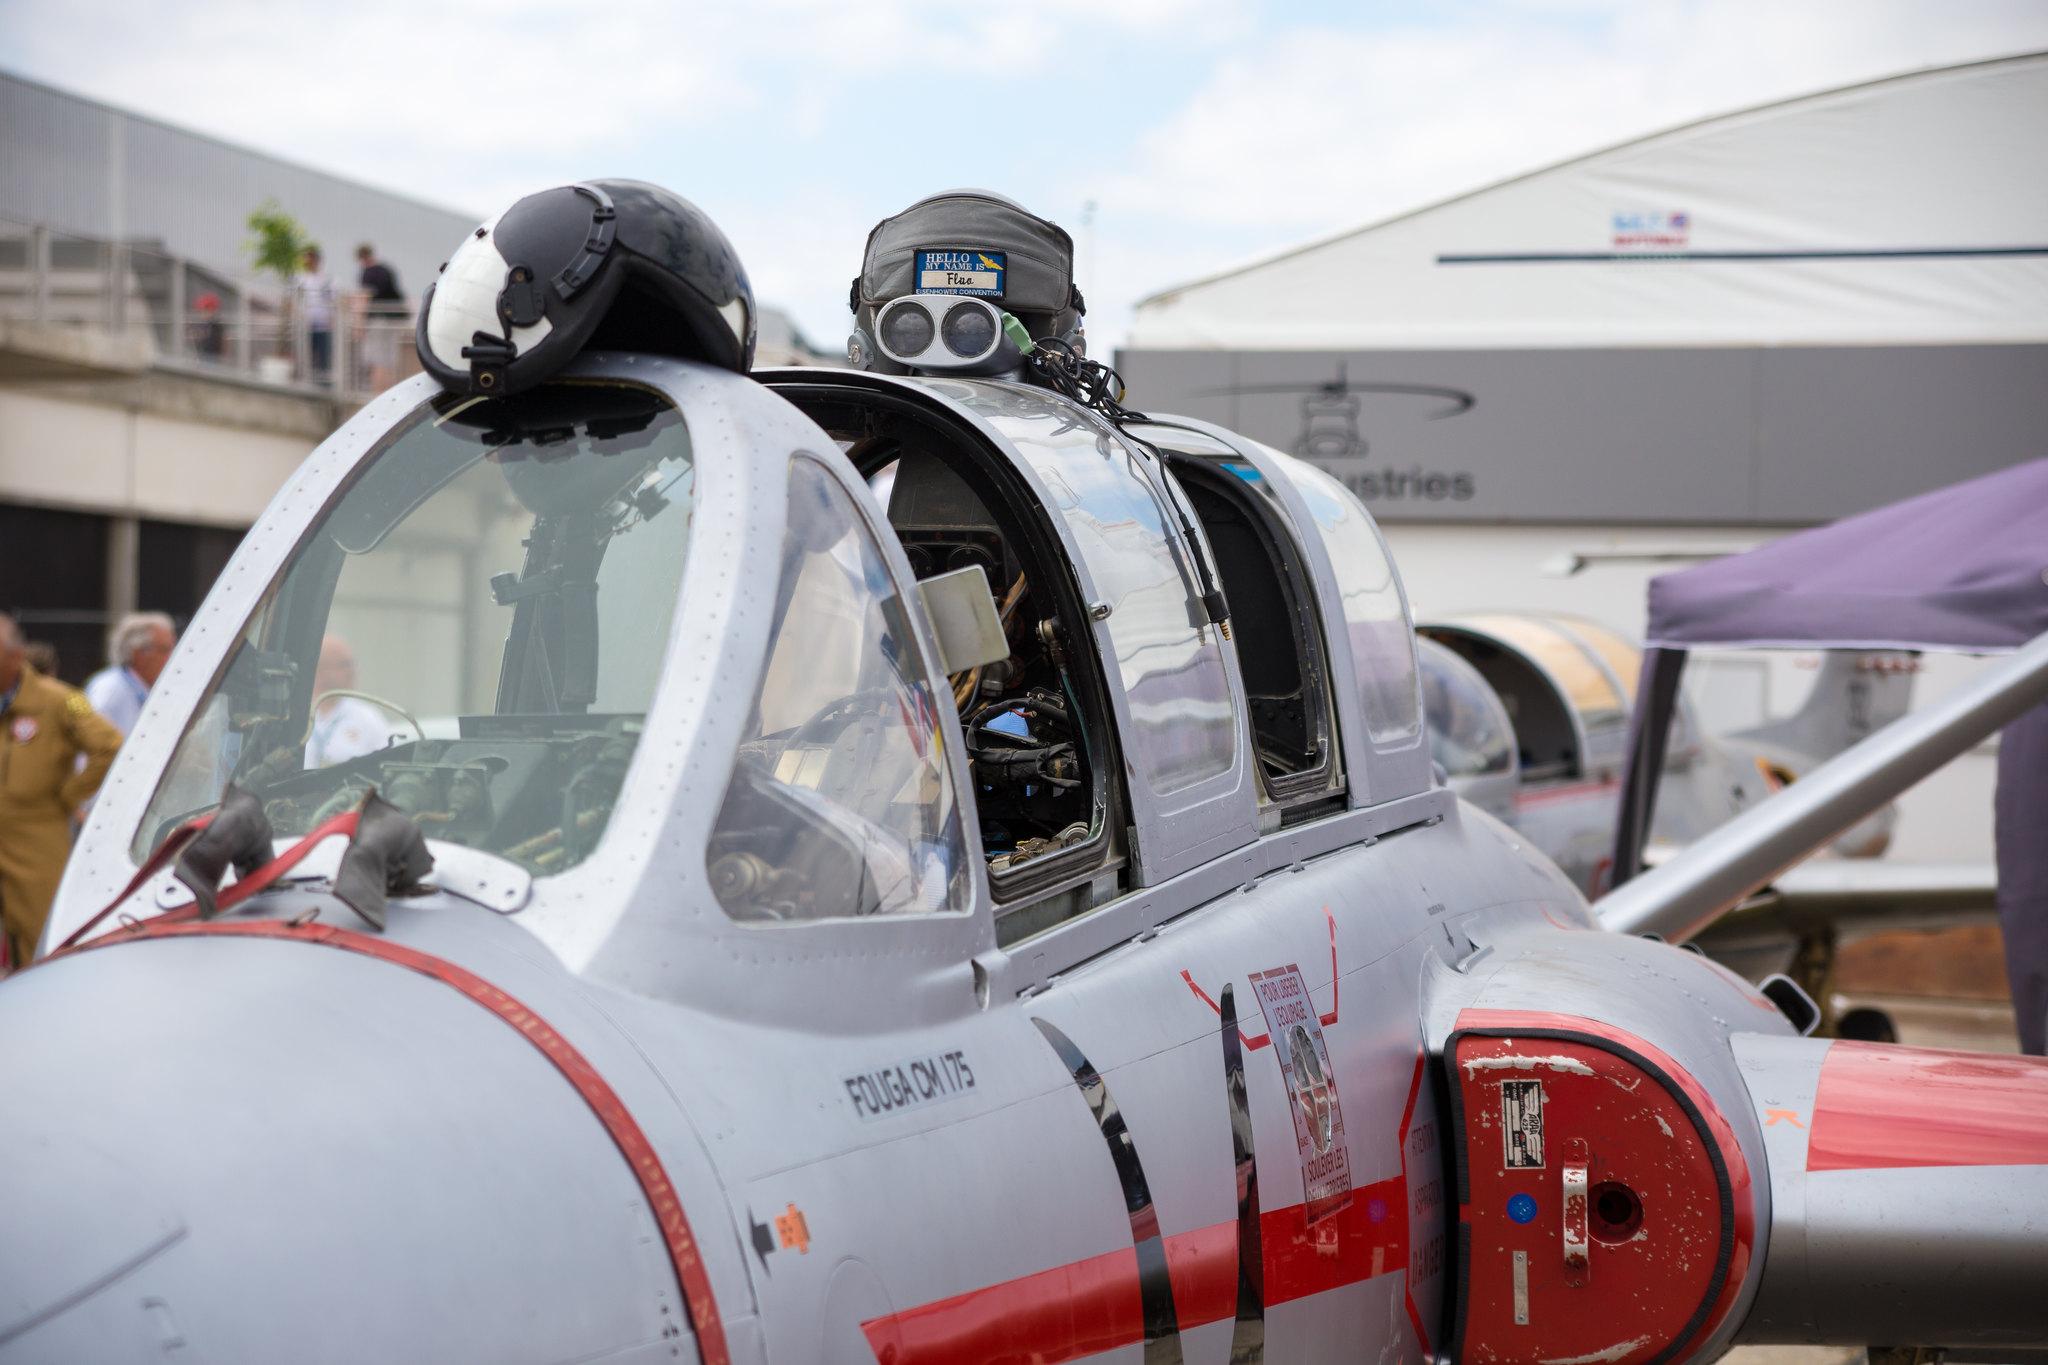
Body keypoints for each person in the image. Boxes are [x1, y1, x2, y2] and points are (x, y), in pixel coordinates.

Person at [0, 612, 123, 969]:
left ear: (14, 656)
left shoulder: (63, 700)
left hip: (36, 832)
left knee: (39, 937)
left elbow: (109, 745)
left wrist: (68, 795)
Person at [304, 634, 395, 768]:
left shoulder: (368, 718)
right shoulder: (295, 715)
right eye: (344, 665)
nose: (352, 671)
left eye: (352, 664)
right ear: (321, 668)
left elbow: (388, 766)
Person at [84, 612, 176, 737]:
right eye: (165, 650)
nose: (172, 657)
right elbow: (91, 740)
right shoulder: (110, 688)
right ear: (139, 653)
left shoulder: (147, 688)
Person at [355, 243, 407, 391]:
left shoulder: (368, 273)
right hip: (393, 319)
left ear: (361, 258)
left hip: (378, 321)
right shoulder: (386, 270)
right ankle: (389, 392)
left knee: (376, 360)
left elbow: (364, 298)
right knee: (389, 359)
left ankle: (377, 393)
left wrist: (359, 325)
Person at [291, 246, 337, 383]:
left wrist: (331, 320)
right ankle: (305, 382)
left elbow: (334, 301)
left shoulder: (327, 280)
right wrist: (298, 316)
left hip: (323, 326)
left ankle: (323, 384)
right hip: (305, 325)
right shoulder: (299, 279)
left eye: (310, 258)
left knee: (324, 357)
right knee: (305, 355)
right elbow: (291, 301)